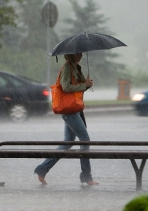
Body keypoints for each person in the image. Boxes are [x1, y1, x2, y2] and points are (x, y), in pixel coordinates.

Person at [34, 53, 99, 186]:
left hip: (76, 109)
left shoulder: (77, 68)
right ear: (71, 55)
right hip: (69, 110)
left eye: (81, 53)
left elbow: (78, 88)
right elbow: (65, 87)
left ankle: (42, 169)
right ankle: (86, 176)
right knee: (85, 140)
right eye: (78, 54)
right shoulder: (67, 68)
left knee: (67, 143)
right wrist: (82, 85)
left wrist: (87, 84)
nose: (80, 55)